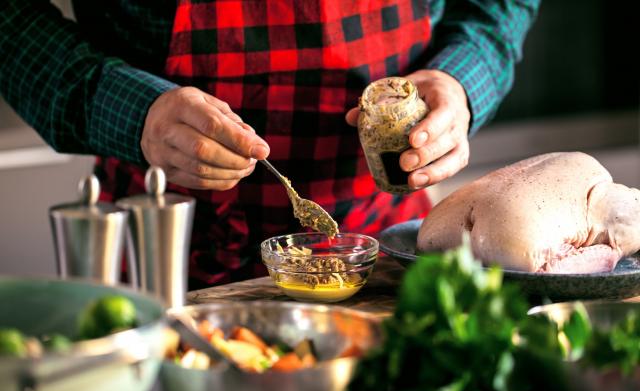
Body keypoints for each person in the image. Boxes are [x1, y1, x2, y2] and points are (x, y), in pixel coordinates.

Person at [0, 0, 540, 289]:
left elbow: (500, 6)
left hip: (385, 254)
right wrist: (124, 107)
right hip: (160, 254)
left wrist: (464, 80)